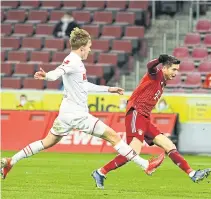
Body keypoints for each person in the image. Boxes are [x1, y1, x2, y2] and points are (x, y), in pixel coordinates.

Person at [1, 28, 163, 180]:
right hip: (77, 114)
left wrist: (109, 89)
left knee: (47, 141)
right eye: (89, 47)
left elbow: (84, 86)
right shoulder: (72, 61)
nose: (90, 50)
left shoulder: (76, 62)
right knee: (113, 136)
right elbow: (58, 72)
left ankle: (11, 161)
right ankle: (145, 165)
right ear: (82, 48)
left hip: (66, 113)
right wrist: (47, 76)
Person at [92, 55, 211, 189]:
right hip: (135, 114)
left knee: (169, 145)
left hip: (145, 118)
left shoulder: (163, 81)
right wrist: (159, 60)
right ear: (164, 68)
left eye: (177, 70)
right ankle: (101, 172)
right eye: (173, 69)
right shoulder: (156, 74)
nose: (175, 73)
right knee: (133, 152)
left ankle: (192, 173)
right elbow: (150, 66)